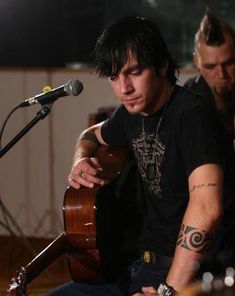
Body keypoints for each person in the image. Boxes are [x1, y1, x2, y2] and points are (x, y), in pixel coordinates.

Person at [47, 16, 233, 296]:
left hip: (190, 276)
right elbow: (89, 136)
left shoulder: (193, 115)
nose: (124, 89)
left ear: (162, 65)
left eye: (134, 73)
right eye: (114, 77)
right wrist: (80, 160)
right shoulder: (130, 113)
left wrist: (168, 291)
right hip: (140, 267)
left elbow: (207, 209)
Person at [184, 9, 235, 143]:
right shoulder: (188, 97)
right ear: (196, 62)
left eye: (229, 63)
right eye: (210, 66)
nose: (222, 74)